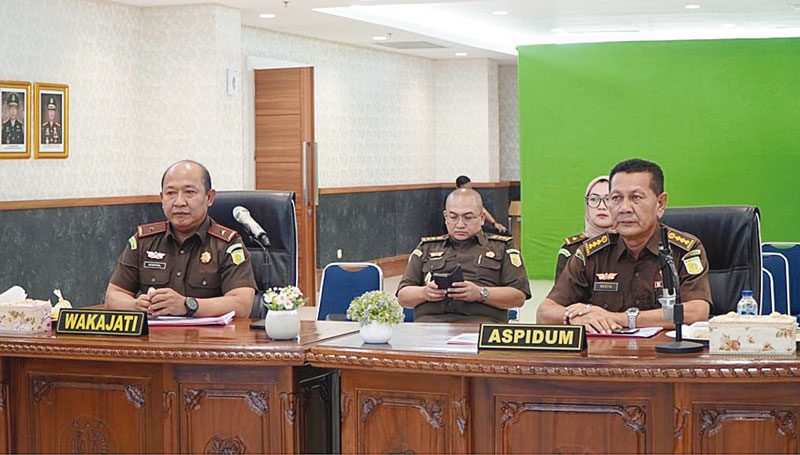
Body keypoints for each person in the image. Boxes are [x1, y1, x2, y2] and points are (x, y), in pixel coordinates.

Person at [537, 158, 712, 333]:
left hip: (664, 355)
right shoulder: (591, 253)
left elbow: (697, 312)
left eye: (636, 198)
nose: (624, 208)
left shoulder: (684, 249)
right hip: (607, 356)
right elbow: (544, 312)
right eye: (616, 198)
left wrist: (618, 318)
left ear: (660, 203)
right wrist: (574, 317)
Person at [105, 160, 256, 317]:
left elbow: (242, 305)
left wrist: (188, 305)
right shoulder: (144, 241)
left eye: (189, 192)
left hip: (206, 339)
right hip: (154, 339)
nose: (179, 202)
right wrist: (136, 306)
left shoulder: (227, 244)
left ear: (209, 197)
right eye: (170, 193)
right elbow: (113, 296)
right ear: (162, 198)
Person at [397, 188, 530, 322]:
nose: (460, 224)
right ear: (445, 217)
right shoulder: (427, 248)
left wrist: (481, 293)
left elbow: (518, 297)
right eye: (453, 217)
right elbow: (403, 296)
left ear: (482, 218)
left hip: (481, 327)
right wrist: (424, 293)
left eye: (468, 217)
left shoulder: (502, 247)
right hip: (431, 326)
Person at [554, 176, 613, 280]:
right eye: (594, 199)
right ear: (586, 204)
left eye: (608, 199)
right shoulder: (571, 250)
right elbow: (561, 295)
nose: (601, 206)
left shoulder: (632, 245)